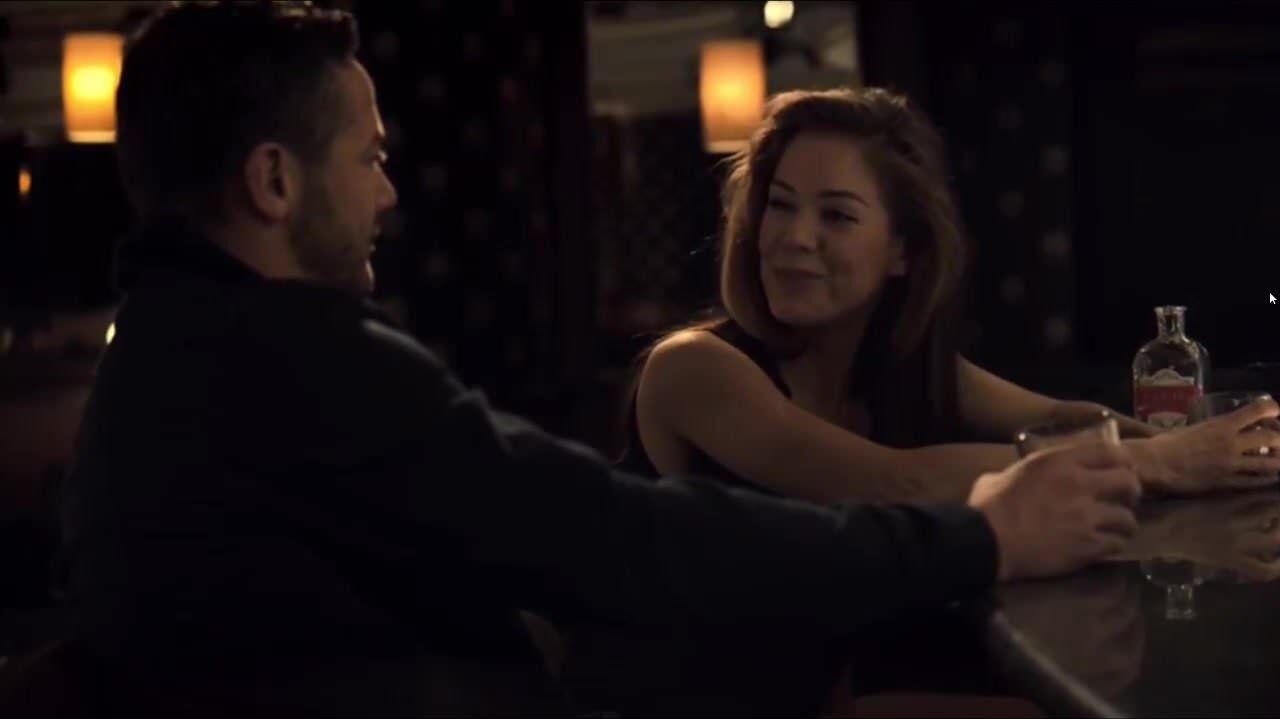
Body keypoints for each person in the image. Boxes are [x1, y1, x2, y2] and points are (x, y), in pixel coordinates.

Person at [57, 3, 1140, 715]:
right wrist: (981, 535)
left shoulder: (175, 352)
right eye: (369, 157)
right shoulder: (289, 363)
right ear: (273, 181)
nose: (386, 193)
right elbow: (619, 536)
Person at [624, 87, 1280, 504]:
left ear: (904, 252)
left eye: (836, 215)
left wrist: (1221, 452)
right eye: (780, 205)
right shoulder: (694, 369)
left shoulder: (898, 364)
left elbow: (1064, 417)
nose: (794, 238)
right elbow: (892, 481)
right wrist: (1162, 460)